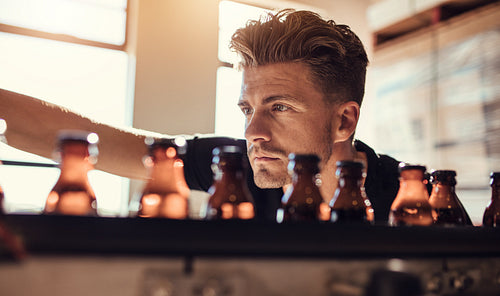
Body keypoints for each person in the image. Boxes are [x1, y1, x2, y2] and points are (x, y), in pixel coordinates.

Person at [0, 10, 400, 222]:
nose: (253, 133)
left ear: (344, 121)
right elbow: (91, 141)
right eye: (248, 109)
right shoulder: (233, 170)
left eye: (280, 107)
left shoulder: (412, 204)